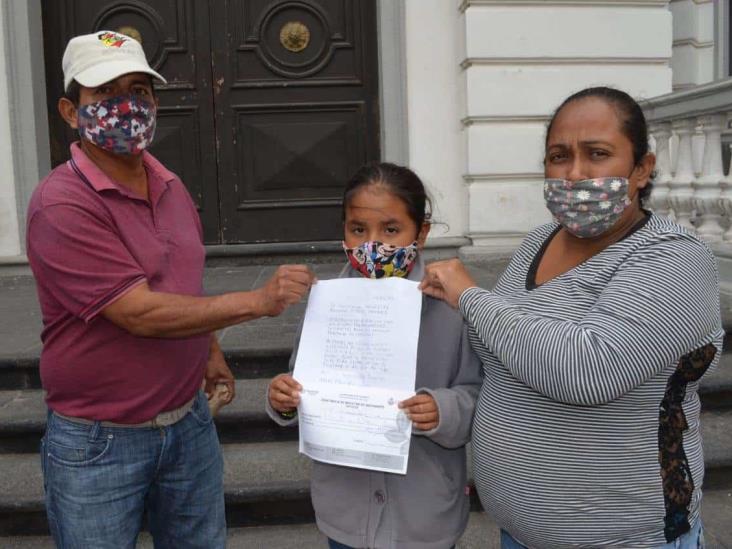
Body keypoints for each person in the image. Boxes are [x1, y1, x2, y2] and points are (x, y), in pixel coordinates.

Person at [26, 31, 315, 548]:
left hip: (188, 424)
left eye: (139, 90)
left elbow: (180, 282)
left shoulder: (169, 184)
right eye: (106, 92)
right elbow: (138, 312)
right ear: (71, 111)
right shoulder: (61, 204)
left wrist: (208, 348)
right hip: (99, 441)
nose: (127, 105)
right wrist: (258, 301)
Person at [419, 87, 723, 549]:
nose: (575, 173)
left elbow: (587, 371)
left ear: (642, 168)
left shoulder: (674, 258)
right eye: (558, 155)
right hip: (519, 534)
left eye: (597, 154)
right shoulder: (538, 241)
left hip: (627, 538)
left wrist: (472, 298)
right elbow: (501, 351)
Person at [267, 162, 483, 549]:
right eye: (358, 230)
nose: (373, 244)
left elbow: (479, 394)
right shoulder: (326, 302)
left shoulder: (454, 306)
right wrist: (285, 399)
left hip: (424, 513)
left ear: (423, 232)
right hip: (345, 513)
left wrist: (444, 409)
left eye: (391, 230)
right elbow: (301, 382)